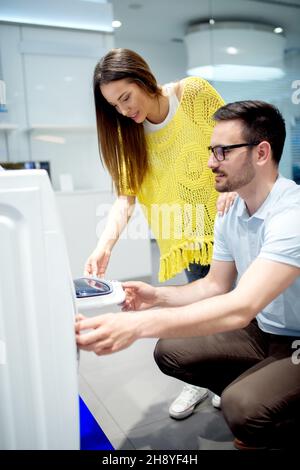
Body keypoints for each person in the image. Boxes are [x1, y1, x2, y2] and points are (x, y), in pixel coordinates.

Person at [76, 100, 300, 449]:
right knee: (172, 350)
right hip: (265, 328)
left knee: (242, 408)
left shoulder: (291, 214)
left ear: (261, 153)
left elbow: (240, 306)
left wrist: (136, 327)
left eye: (223, 151)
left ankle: (267, 406)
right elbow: (214, 285)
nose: (212, 162)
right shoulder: (231, 209)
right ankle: (265, 390)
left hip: (295, 338)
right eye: (212, 150)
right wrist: (155, 296)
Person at [84, 48, 234, 418]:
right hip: (191, 237)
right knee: (203, 308)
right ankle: (207, 377)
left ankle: (238, 376)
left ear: (143, 79)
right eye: (113, 106)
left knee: (248, 308)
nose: (123, 111)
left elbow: (234, 141)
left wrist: (231, 186)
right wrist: (104, 245)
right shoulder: (127, 134)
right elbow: (126, 197)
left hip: (234, 222)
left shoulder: (193, 94)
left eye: (125, 98)